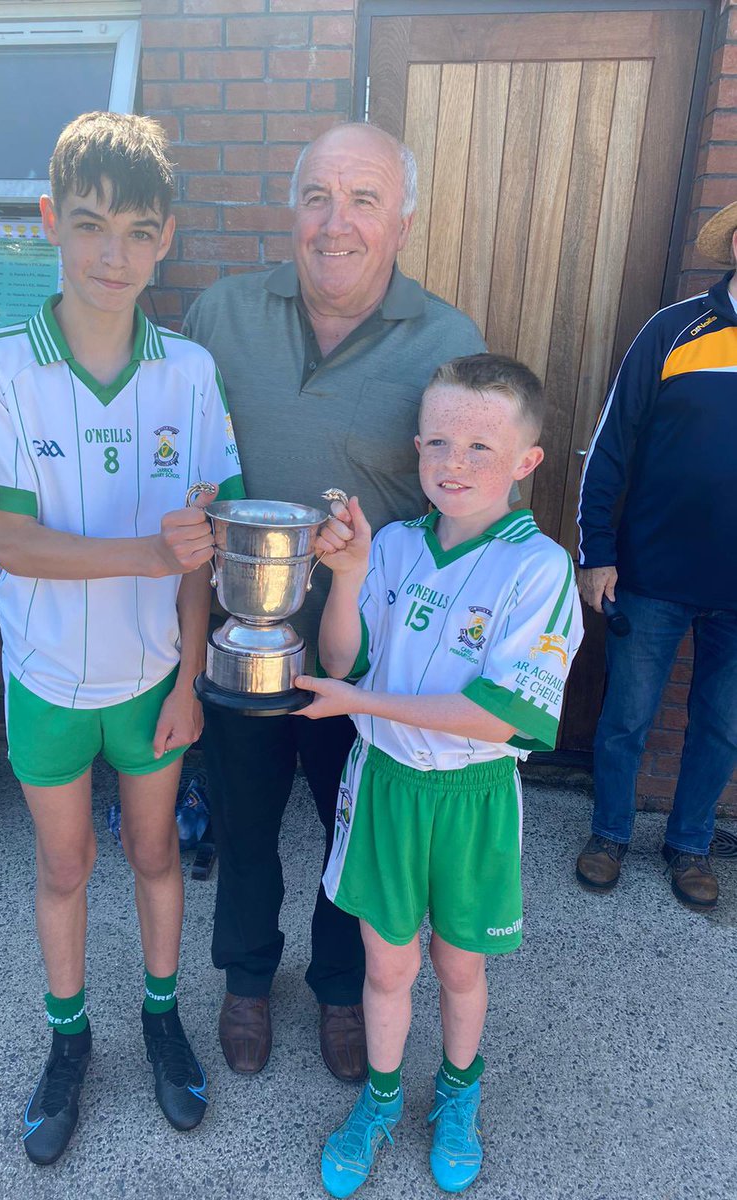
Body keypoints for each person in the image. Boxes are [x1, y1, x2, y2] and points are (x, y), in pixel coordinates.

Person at [0, 112, 244, 1164]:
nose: (110, 253)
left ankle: (160, 1017)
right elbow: (18, 544)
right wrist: (149, 553)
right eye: (87, 225)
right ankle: (68, 1038)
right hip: (45, 679)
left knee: (159, 850)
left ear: (164, 237)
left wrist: (190, 671)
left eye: (133, 230)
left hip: (153, 682)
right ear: (50, 226)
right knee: (68, 864)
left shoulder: (191, 373)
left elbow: (206, 544)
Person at [181, 122, 486, 1082]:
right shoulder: (219, 313)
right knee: (243, 821)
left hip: (370, 658)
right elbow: (179, 462)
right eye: (318, 196)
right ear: (292, 206)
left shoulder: (446, 340)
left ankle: (343, 990)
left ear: (402, 218)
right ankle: (243, 978)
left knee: (356, 833)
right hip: (238, 645)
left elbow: (463, 503)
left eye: (363, 200)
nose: (336, 223)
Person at [294, 354, 583, 1196]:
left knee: (460, 967)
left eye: (481, 447)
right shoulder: (392, 545)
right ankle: (380, 1103)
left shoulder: (538, 569)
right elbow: (343, 657)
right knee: (386, 968)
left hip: (471, 798)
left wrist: (363, 702)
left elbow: (503, 717)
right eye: (440, 442)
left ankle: (457, 1095)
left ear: (527, 461)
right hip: (384, 784)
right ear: (417, 446)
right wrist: (346, 580)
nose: (455, 464)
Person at [574, 200, 737, 910]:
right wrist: (595, 552)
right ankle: (609, 833)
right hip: (653, 574)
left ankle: (691, 845)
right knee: (626, 718)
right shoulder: (674, 330)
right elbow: (611, 443)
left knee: (723, 726)